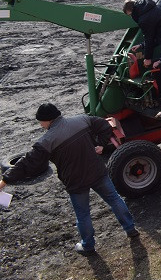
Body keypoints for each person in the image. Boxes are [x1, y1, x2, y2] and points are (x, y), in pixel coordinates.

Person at [0, 104, 138, 256]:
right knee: (114, 199)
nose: (40, 125)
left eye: (41, 122)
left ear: (48, 120)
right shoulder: (82, 120)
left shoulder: (47, 140)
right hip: (97, 172)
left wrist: (5, 180)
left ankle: (88, 246)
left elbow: (27, 162)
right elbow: (105, 125)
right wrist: (101, 144)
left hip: (76, 181)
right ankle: (130, 229)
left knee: (83, 214)